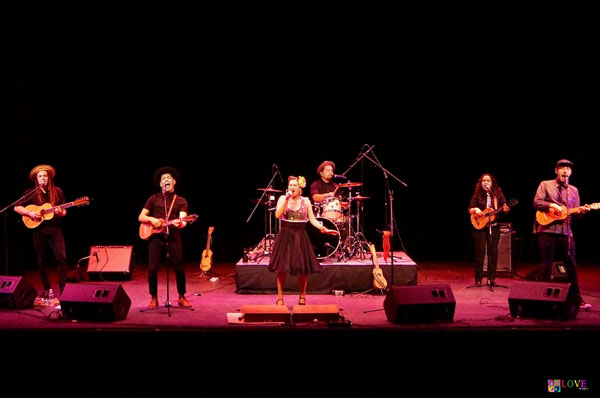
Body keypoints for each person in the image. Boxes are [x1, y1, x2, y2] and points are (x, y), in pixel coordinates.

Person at [268, 175, 338, 305]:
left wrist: (324, 228)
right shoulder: (283, 198)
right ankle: (280, 298)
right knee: (282, 268)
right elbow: (278, 214)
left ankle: (302, 296)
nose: (292, 187)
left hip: (300, 235)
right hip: (285, 235)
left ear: (300, 187)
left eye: (295, 185)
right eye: (290, 185)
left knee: (303, 269)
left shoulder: (305, 200)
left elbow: (312, 220)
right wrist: (286, 198)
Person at [532, 159, 592, 310]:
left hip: (566, 233)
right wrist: (551, 205)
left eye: (568, 169)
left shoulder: (574, 190)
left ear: (571, 172)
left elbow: (575, 214)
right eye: (562, 168)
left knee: (571, 266)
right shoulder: (545, 184)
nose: (566, 171)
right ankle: (542, 300)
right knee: (546, 266)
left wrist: (582, 211)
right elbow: (537, 203)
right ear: (556, 170)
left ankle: (577, 299)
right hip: (547, 231)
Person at [13, 164, 69, 302]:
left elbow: (64, 210)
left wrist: (61, 212)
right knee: (41, 260)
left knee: (61, 257)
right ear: (36, 179)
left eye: (45, 175)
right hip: (39, 230)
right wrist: (29, 213)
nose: (42, 178)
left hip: (55, 229)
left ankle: (64, 290)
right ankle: (47, 289)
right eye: (40, 176)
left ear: (49, 178)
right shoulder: (30, 192)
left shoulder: (57, 191)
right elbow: (16, 207)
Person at [138, 167, 192, 308]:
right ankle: (154, 298)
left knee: (179, 267)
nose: (166, 180)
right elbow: (141, 216)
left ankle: (181, 296)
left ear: (174, 181)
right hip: (155, 237)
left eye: (168, 178)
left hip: (173, 235)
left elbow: (183, 220)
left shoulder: (181, 201)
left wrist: (180, 223)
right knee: (152, 268)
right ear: (160, 184)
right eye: (163, 179)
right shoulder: (153, 198)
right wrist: (152, 220)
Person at [468, 173, 510, 287]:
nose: (485, 183)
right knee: (480, 253)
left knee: (493, 253)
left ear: (492, 183)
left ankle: (491, 279)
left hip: (494, 226)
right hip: (479, 227)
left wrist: (506, 209)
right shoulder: (477, 195)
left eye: (488, 181)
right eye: (483, 181)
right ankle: (478, 279)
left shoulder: (498, 195)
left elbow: (505, 207)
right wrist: (476, 209)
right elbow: (470, 209)